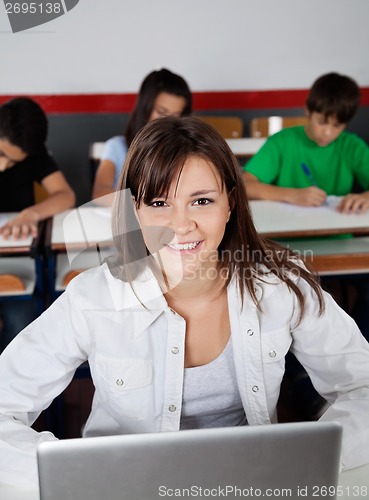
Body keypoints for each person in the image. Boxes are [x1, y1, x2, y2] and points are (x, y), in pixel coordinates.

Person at [1, 116, 369, 487]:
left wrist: (307, 464)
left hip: (249, 485)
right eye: (159, 202)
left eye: (202, 200)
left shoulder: (282, 286)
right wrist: (79, 481)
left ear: (231, 204)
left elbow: (362, 387)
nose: (181, 225)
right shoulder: (91, 299)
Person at [0, 97, 75, 351]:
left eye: (13, 162)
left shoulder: (34, 152)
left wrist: (31, 214)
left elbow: (66, 195)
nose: (3, 166)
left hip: (15, 264)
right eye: (1, 154)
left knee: (21, 324)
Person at [91, 68, 192, 201]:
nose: (167, 121)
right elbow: (100, 193)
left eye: (176, 116)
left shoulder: (187, 152)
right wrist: (143, 203)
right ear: (145, 108)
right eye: (161, 112)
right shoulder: (117, 147)